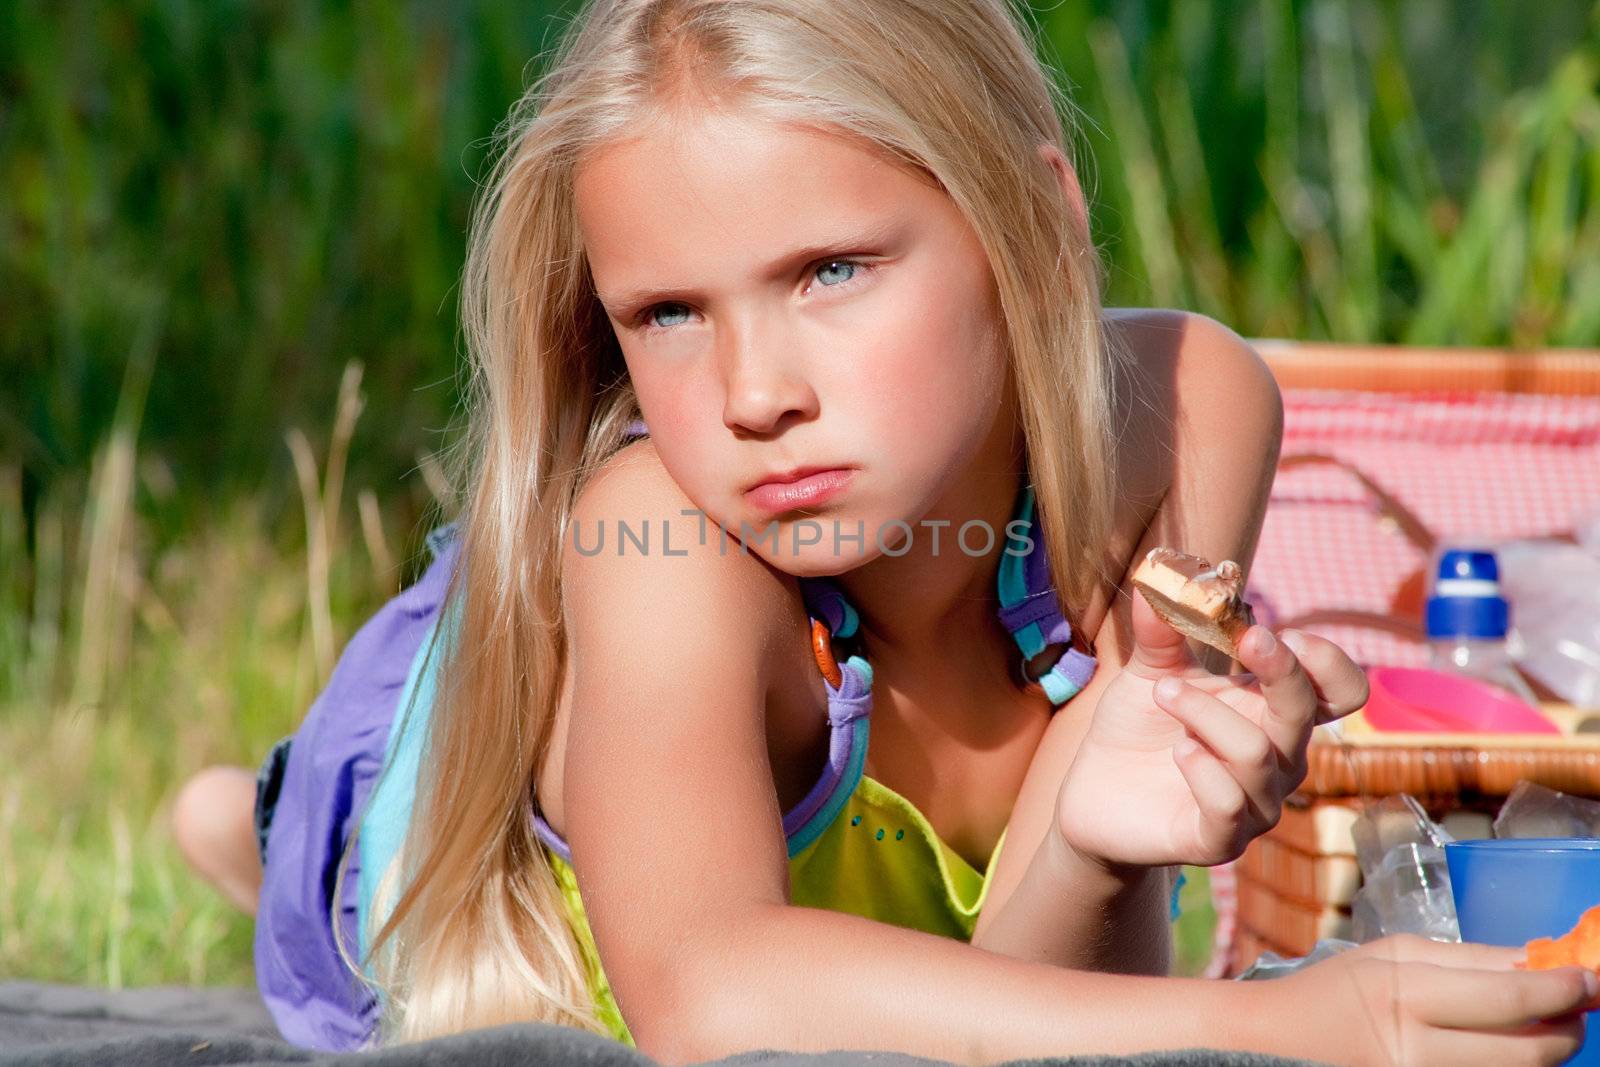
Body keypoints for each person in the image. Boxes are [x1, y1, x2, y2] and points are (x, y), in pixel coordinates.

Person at [173, 1, 1600, 1063]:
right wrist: (1289, 1036)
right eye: (667, 313)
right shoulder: (665, 535)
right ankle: (257, 831)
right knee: (329, 860)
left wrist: (1101, 849)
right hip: (444, 790)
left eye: (831, 270)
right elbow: (710, 1000)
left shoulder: (1181, 416)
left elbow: (1040, 996)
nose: (753, 396)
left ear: (1035, 216)